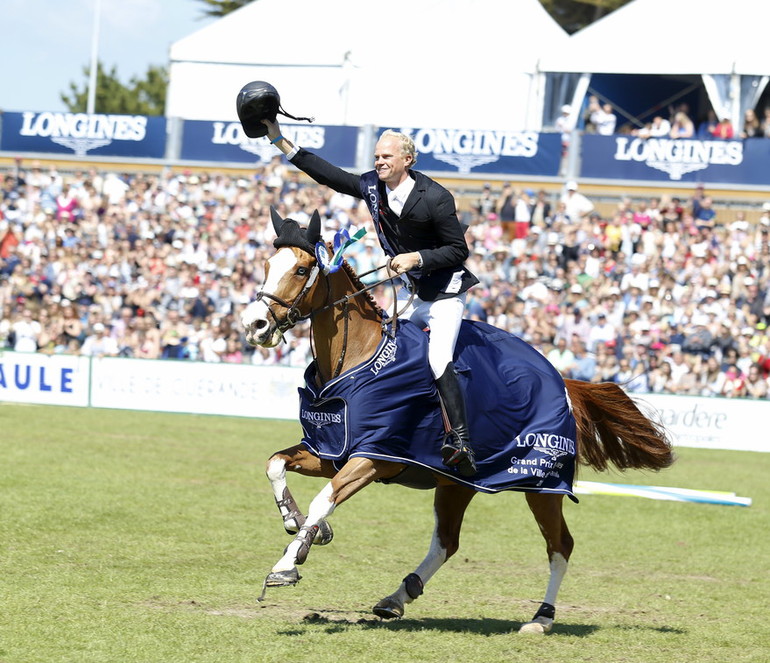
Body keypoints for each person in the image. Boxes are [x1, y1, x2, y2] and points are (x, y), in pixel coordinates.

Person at [257, 116, 479, 476]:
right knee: (391, 359)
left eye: (386, 156)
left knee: (438, 360)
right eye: (377, 156)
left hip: (444, 296)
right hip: (412, 295)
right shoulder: (373, 187)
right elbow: (329, 175)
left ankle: (462, 442)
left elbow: (458, 250)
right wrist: (279, 140)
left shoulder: (436, 198)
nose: (379, 162)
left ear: (408, 160)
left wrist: (416, 257)